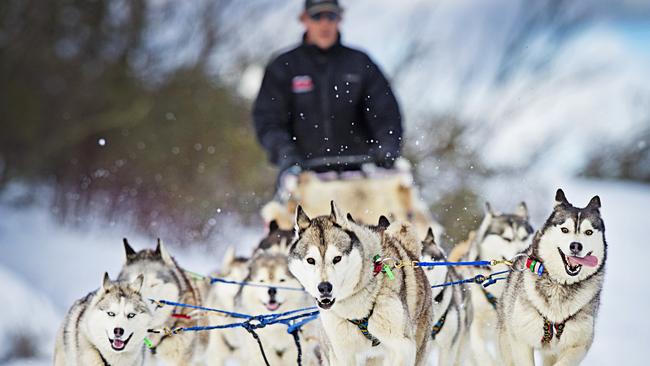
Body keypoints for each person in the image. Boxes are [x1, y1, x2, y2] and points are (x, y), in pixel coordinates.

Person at [253, 0, 403, 179]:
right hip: (303, 177)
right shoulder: (284, 66)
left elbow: (386, 114)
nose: (325, 23)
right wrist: (285, 154)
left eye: (331, 16)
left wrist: (387, 147)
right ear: (304, 19)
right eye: (317, 16)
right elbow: (268, 121)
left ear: (339, 19)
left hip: (360, 177)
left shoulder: (361, 63)